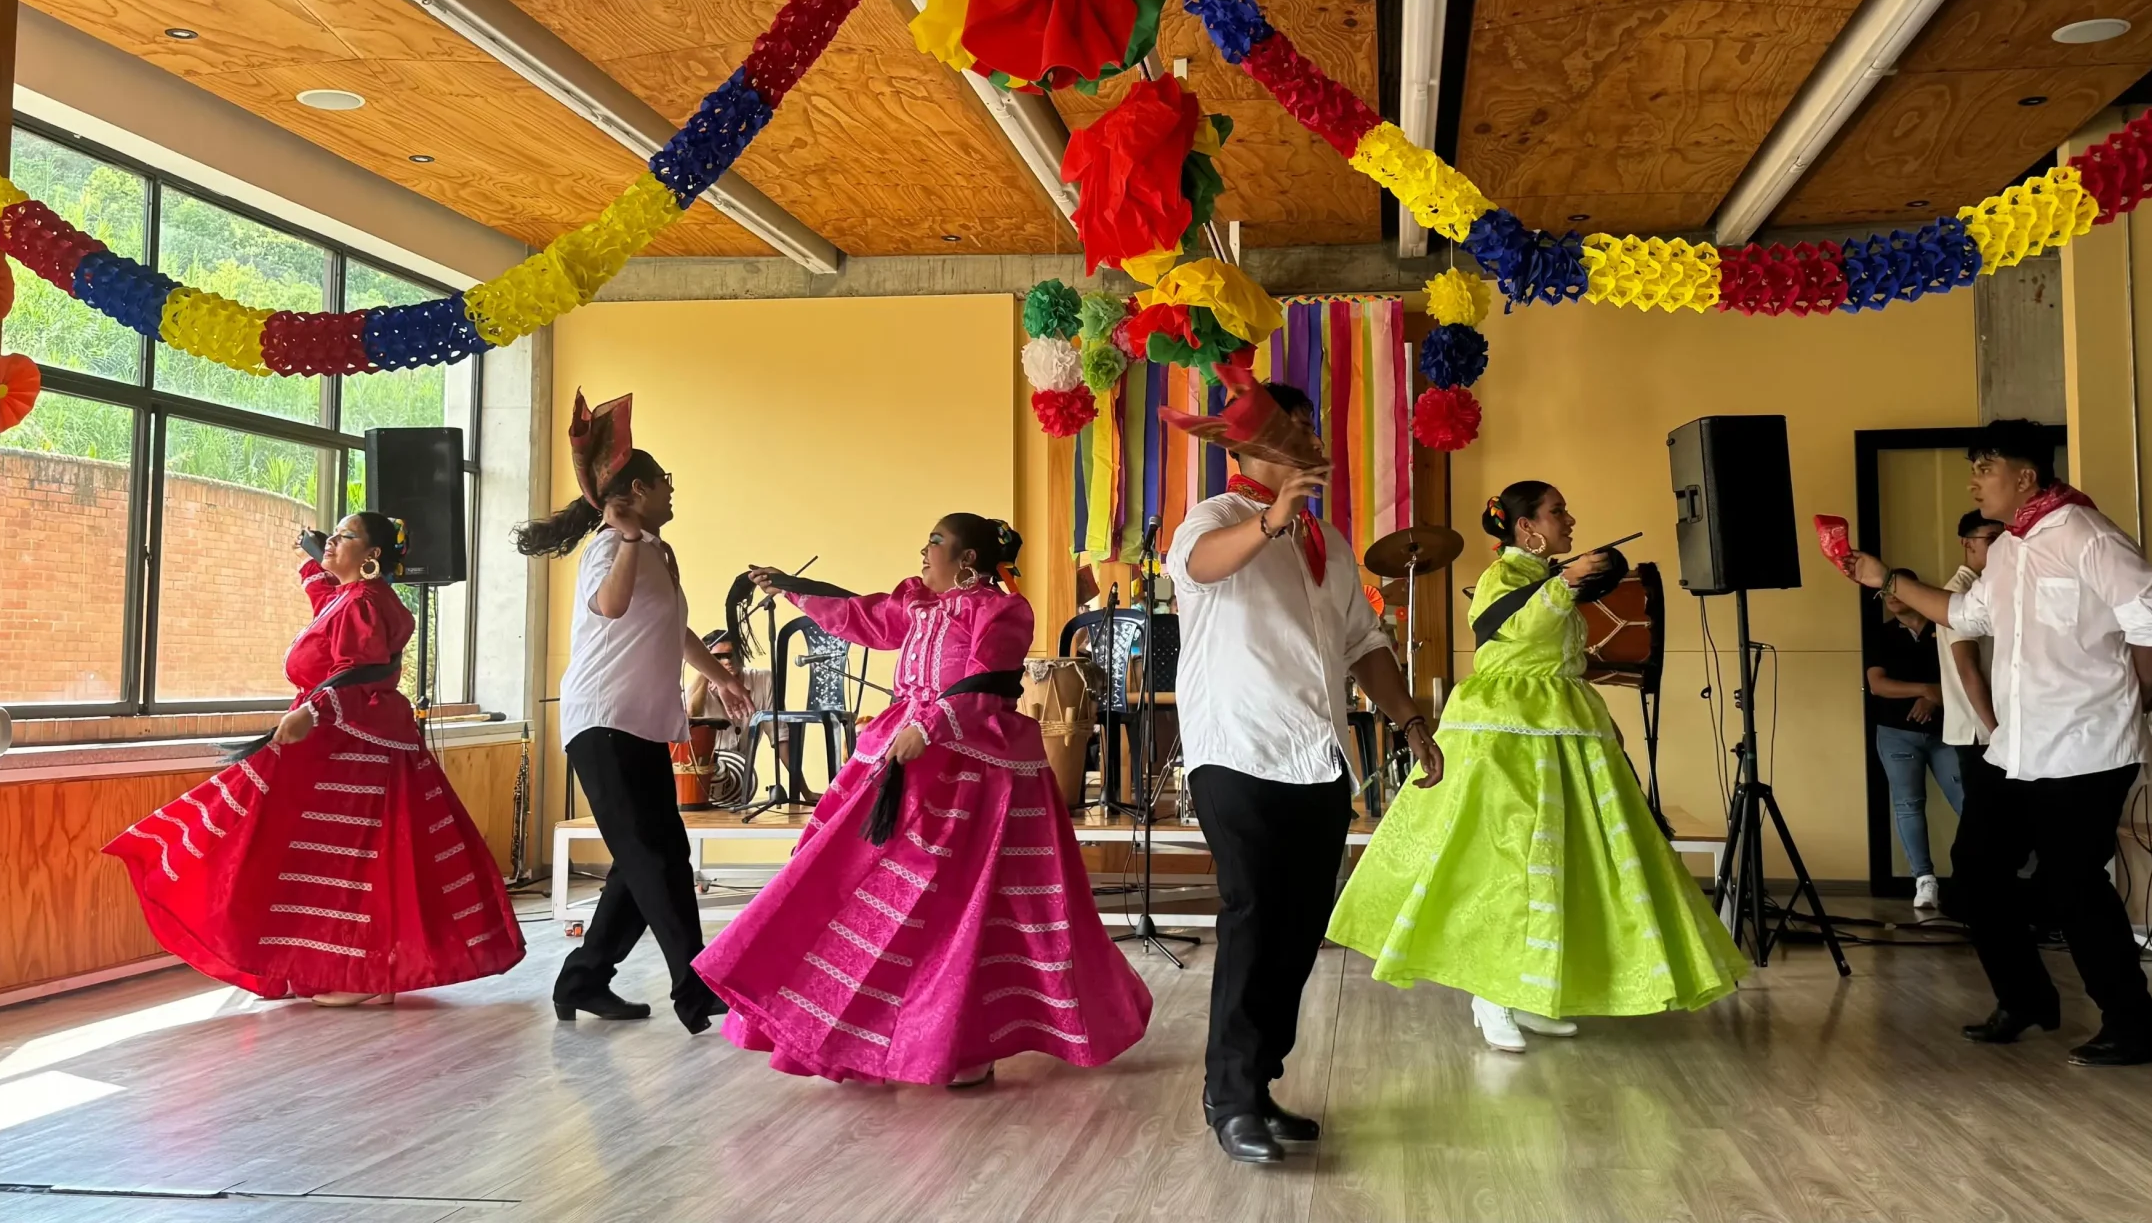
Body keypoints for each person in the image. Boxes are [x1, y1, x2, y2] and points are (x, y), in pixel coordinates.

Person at [695, 515, 1152, 1087]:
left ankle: (961, 1044)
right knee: (860, 891)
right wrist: (791, 587)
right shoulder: (916, 606)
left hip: (975, 772)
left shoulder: (1001, 611)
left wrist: (931, 726)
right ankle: (855, 1036)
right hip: (903, 756)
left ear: (967, 560)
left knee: (963, 912)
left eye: (935, 541)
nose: (923, 550)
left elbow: (988, 684)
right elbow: (857, 614)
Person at [1329, 481, 1745, 1053]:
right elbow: (1514, 625)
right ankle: (1490, 993)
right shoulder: (1505, 576)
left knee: (1561, 857)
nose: (1569, 520)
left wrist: (1568, 584)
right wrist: (1568, 582)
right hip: (1505, 734)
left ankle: (1528, 992)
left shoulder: (1543, 578)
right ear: (1525, 527)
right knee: (1509, 860)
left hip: (1561, 724)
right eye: (1556, 512)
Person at [1163, 373, 1444, 1165]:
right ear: (1251, 439)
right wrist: (1269, 519)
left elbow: (1364, 645)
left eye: (1312, 426)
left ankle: (1259, 1082)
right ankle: (1230, 1096)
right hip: (1240, 751)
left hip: (1319, 759)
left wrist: (1411, 721)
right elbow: (1203, 567)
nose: (1310, 438)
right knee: (1255, 916)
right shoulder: (1214, 520)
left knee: (1298, 931)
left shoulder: (1333, 544)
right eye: (1295, 424)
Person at [1842, 419, 2152, 1067]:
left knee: (2076, 884)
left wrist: (2130, 695)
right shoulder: (2009, 550)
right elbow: (1966, 616)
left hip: (2087, 746)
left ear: (2025, 475)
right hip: (2019, 747)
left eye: (1984, 468)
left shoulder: (2085, 533)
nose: (1973, 481)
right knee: (1975, 872)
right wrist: (1885, 580)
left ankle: (2132, 1026)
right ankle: (2026, 998)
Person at [105, 513, 524, 1005]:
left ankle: (359, 978)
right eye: (333, 535)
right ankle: (325, 969)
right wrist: (317, 553)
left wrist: (313, 709)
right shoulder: (349, 598)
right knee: (313, 855)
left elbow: (360, 672)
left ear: (371, 556)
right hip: (341, 739)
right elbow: (328, 599)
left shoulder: (366, 603)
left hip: (353, 746)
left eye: (344, 536)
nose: (331, 542)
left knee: (346, 863)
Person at [521, 392, 753, 1034]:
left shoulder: (652, 549)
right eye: (666, 483)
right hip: (603, 723)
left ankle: (584, 978)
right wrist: (623, 540)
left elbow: (669, 629)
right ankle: (696, 986)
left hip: (640, 725)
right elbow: (612, 606)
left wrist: (721, 677)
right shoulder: (612, 547)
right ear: (642, 490)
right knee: (656, 856)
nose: (674, 492)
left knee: (643, 857)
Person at [1866, 567, 1962, 913]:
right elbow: (1879, 685)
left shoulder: (1945, 628)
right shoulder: (1882, 634)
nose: (1890, 598)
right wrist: (1926, 690)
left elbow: (1967, 675)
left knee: (1969, 801)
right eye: (1884, 593)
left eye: (1896, 590)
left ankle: (1978, 877)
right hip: (1897, 734)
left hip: (1950, 731)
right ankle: (1924, 880)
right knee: (1908, 805)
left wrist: (1937, 698)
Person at [1940, 510, 2003, 751]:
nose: (2000, 549)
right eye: (1992, 540)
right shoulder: (1959, 592)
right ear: (1967, 543)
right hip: (1981, 730)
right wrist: (1996, 732)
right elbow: (1968, 669)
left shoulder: (1993, 588)